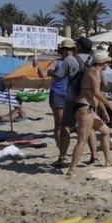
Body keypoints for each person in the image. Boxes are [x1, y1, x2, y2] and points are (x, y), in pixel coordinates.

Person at [66, 49, 112, 176]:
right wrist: (108, 104)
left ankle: (108, 160)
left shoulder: (97, 71)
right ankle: (72, 168)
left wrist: (104, 111)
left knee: (106, 131)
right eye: (107, 62)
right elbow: (96, 93)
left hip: (90, 107)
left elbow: (95, 95)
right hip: (84, 107)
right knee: (82, 138)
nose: (108, 65)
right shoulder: (94, 71)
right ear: (103, 61)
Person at [45, 38, 79, 167]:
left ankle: (62, 155)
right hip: (71, 94)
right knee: (66, 126)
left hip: (59, 93)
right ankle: (63, 154)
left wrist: (48, 72)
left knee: (60, 125)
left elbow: (53, 74)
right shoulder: (77, 61)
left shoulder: (61, 62)